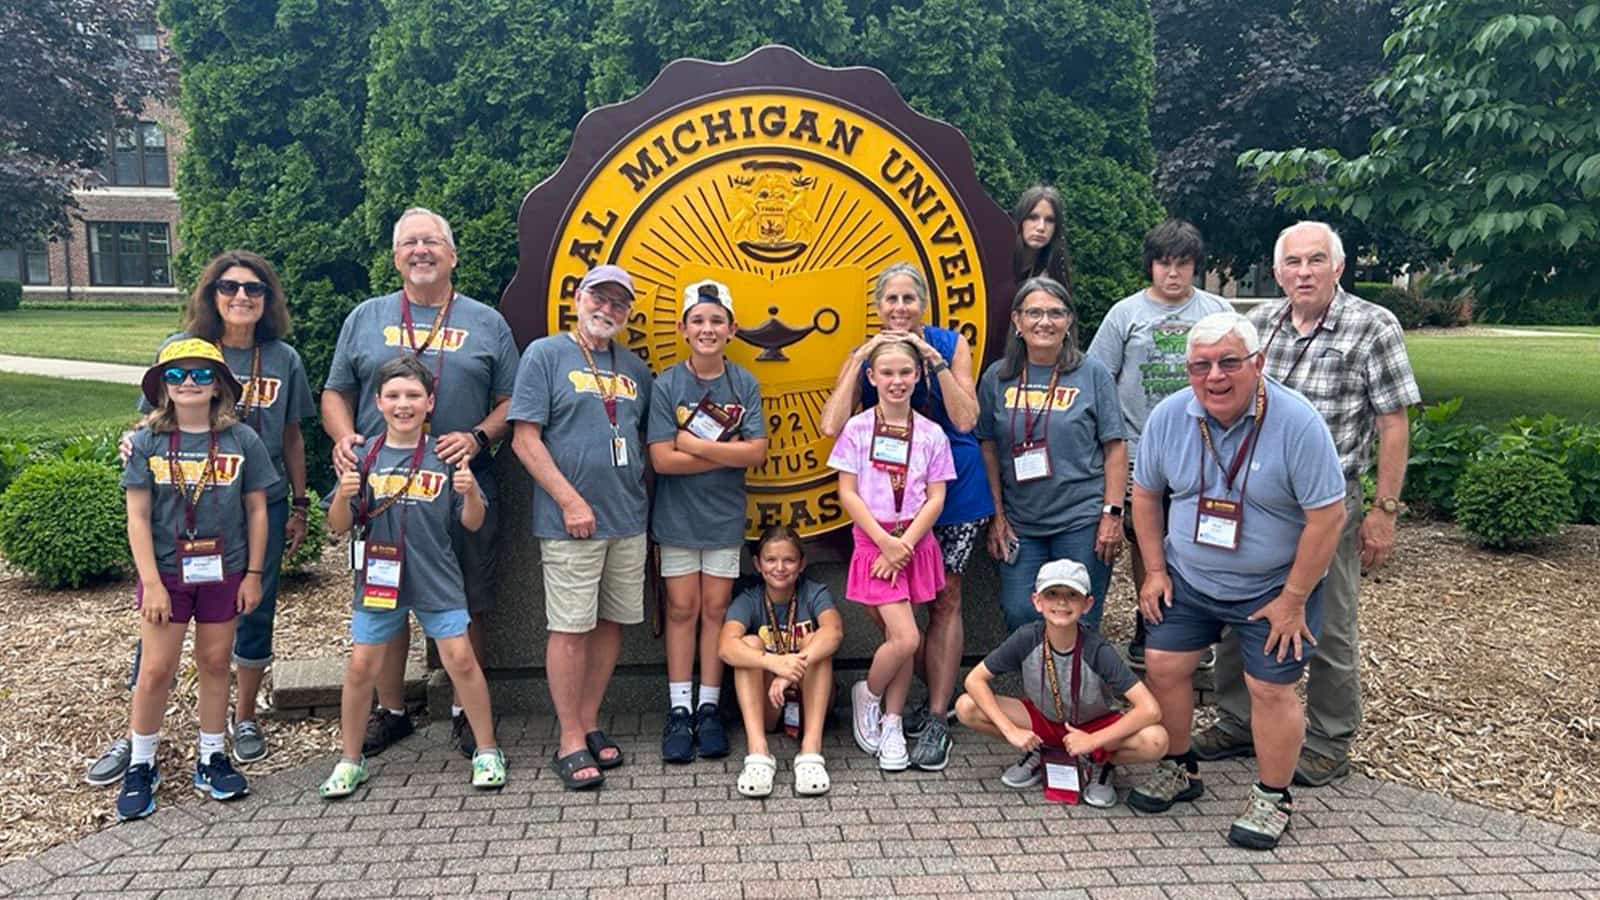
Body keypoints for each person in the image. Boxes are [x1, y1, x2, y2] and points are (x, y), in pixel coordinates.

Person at [1193, 221, 1420, 787]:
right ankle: (1239, 720)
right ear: (1277, 272)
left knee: (1329, 622)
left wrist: (1384, 510)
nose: (1304, 272)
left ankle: (1327, 738)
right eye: (1293, 263)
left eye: (1316, 261)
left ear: (1338, 268)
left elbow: (1393, 423)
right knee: (1234, 608)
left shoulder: (1372, 326)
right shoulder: (1259, 326)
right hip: (1250, 494)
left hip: (1328, 501)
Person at [89, 251, 314, 784]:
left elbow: (291, 436)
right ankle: (138, 740)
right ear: (211, 294)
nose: (242, 297)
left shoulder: (283, 358)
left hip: (257, 500)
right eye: (229, 287)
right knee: (160, 624)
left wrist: (301, 503)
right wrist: (132, 440)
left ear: (268, 299)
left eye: (254, 289)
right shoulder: (183, 350)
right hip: (181, 511)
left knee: (251, 612)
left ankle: (241, 721)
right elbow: (150, 417)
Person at [1125, 312, 1346, 851]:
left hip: (1273, 587)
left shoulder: (1297, 422)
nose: (1215, 377)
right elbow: (1148, 494)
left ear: (1258, 364)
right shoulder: (1170, 416)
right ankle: (1181, 769)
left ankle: (1274, 796)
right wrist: (1154, 570)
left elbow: (1328, 516)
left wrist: (1294, 600)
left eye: (1229, 362)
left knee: (1269, 687)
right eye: (1201, 366)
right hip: (1191, 576)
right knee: (1164, 664)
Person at [322, 208, 519, 758]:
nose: (421, 251)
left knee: (468, 600)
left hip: (458, 483)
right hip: (379, 487)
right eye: (409, 243)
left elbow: (512, 401)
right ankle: (391, 711)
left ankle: (463, 712)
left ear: (453, 255)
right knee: (384, 593)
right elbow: (335, 391)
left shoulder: (486, 322)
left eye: (432, 241)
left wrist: (479, 438)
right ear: (396, 258)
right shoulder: (366, 316)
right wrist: (344, 440)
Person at [819, 262, 992, 771]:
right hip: (883, 508)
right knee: (893, 612)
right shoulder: (872, 356)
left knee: (945, 600)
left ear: (923, 305)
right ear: (877, 306)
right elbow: (833, 425)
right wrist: (858, 362)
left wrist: (935, 363)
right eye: (890, 300)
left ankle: (935, 715)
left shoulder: (947, 343)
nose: (899, 309)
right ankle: (890, 701)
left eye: (908, 300)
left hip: (947, 491)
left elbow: (966, 417)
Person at [320, 356, 505, 797]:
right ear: (378, 401)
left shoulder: (444, 454)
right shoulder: (363, 456)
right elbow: (338, 524)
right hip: (380, 579)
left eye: (414, 395)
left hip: (436, 575)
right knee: (362, 665)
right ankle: (349, 759)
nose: (404, 404)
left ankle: (487, 749)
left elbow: (473, 523)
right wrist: (344, 497)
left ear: (430, 402)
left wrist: (471, 493)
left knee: (460, 659)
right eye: (394, 396)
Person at [115, 339, 275, 821]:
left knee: (214, 662)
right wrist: (152, 582)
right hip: (165, 572)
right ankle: (141, 763)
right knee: (157, 668)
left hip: (224, 570)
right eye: (177, 375)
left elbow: (258, 510)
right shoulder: (146, 442)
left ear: (220, 385)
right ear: (161, 385)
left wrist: (252, 574)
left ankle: (212, 755)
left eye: (202, 375)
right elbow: (138, 517)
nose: (189, 383)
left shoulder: (241, 439)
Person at [508, 264, 653, 790]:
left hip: (627, 518)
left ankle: (591, 720)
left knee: (612, 623)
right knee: (570, 627)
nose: (607, 310)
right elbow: (525, 439)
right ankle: (568, 738)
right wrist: (570, 500)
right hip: (572, 522)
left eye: (619, 303)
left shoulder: (635, 368)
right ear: (578, 298)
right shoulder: (545, 355)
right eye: (600, 298)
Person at [1086, 220, 1230, 665]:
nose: (1173, 273)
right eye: (1164, 263)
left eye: (1183, 264)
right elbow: (1099, 376)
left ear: (1195, 267)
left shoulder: (1218, 312)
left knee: (1197, 533)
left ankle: (1196, 625)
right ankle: (1149, 621)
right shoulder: (1125, 314)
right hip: (1140, 444)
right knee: (1143, 535)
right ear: (1150, 265)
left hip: (1206, 446)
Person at [648, 279, 768, 763]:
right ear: (682, 328)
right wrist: (728, 454)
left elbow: (757, 452)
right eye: (698, 320)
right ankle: (679, 709)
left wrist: (695, 445)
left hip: (722, 519)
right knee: (681, 609)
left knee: (717, 610)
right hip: (676, 519)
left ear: (733, 328)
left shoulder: (744, 383)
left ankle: (709, 707)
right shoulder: (666, 385)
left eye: (717, 320)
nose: (707, 328)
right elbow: (660, 460)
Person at [828, 339, 955, 771]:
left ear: (918, 375)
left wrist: (905, 544)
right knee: (906, 639)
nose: (897, 381)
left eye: (905, 373)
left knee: (899, 641)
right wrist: (885, 542)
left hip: (915, 544)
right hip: (874, 543)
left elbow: (936, 497)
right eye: (888, 373)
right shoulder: (858, 429)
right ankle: (869, 692)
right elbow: (846, 491)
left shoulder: (932, 433)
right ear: (872, 377)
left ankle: (893, 724)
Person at [977, 277, 1127, 634]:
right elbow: (987, 446)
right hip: (1021, 523)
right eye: (1034, 312)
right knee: (1019, 613)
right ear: (1017, 321)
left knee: (1081, 618)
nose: (1045, 322)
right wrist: (996, 515)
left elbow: (1115, 446)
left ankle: (1078, 690)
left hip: (1080, 520)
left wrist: (1112, 513)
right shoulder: (997, 378)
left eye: (1056, 313)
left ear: (1069, 322)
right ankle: (1039, 691)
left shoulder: (1093, 374)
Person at [955, 558, 1167, 806]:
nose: (1062, 602)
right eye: (1052, 594)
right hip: (1043, 718)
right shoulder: (1027, 637)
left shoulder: (1097, 649)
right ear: (1037, 601)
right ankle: (1039, 751)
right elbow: (974, 679)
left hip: (1093, 725)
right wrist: (1010, 730)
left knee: (1156, 739)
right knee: (966, 706)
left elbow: (1150, 709)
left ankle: (1102, 763)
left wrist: (1093, 740)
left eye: (1072, 595)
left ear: (1087, 604)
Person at [718, 526, 844, 797]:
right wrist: (773, 664)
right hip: (769, 703)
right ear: (757, 564)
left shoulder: (813, 592)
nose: (780, 567)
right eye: (771, 560)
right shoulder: (749, 599)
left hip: (811, 697)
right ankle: (758, 753)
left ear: (801, 564)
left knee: (815, 641)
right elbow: (726, 647)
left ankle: (811, 752)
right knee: (748, 644)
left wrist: (791, 669)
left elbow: (834, 632)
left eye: (788, 560)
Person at [1011, 184, 1074, 291]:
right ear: (1020, 220)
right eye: (1033, 217)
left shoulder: (1055, 275)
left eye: (1049, 220)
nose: (1041, 227)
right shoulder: (999, 261)